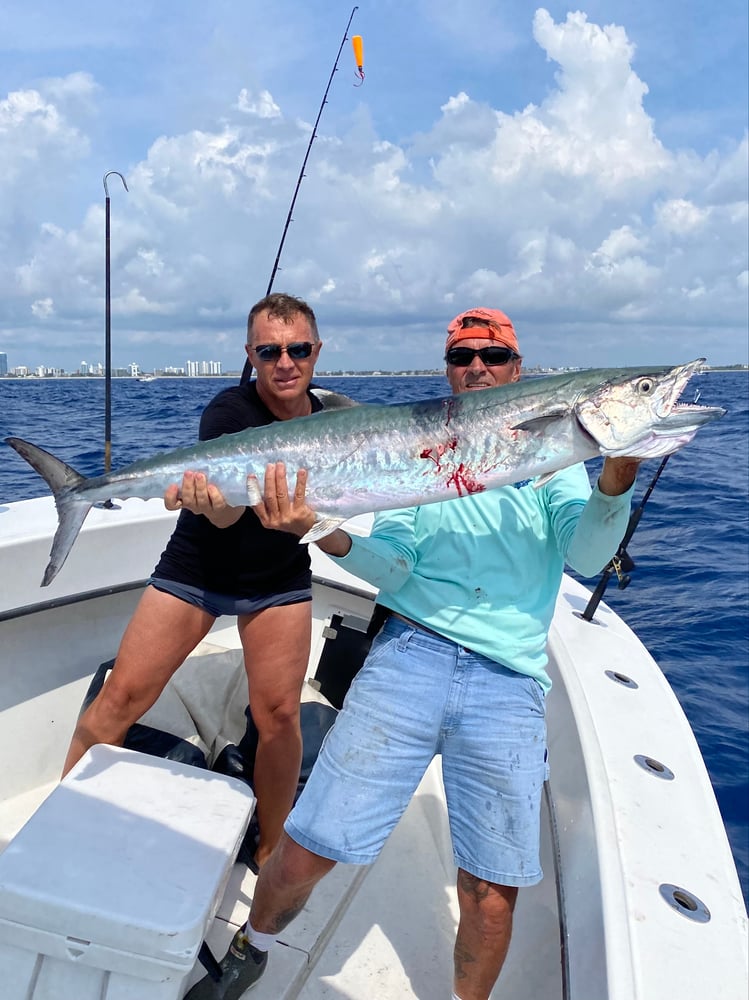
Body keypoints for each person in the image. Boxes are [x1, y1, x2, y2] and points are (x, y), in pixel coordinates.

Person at [184, 307, 642, 1000]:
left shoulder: (554, 465)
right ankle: (255, 946)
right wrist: (322, 534)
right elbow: (393, 567)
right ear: (448, 371)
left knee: (491, 888)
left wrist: (617, 478)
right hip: (411, 653)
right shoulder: (426, 456)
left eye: (492, 356)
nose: (478, 368)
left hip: (509, 678)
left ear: (517, 370)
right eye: (463, 357)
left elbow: (584, 555)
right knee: (308, 847)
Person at [62, 292, 334, 871]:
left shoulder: (337, 420)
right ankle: (62, 816)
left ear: (316, 351)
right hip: (199, 567)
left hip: (278, 576)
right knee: (124, 694)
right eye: (269, 350)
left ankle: (269, 846)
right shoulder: (228, 413)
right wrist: (211, 504)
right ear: (250, 355)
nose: (285, 362)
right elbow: (226, 512)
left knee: (280, 715)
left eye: (298, 349)